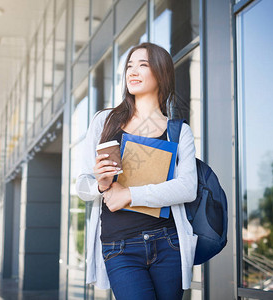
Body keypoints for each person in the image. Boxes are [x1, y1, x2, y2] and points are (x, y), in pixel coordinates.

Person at [76, 42, 198, 300]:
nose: (132, 71)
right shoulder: (105, 121)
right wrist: (100, 184)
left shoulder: (178, 131)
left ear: (161, 73)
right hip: (119, 246)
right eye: (129, 65)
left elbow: (187, 188)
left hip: (168, 243)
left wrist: (129, 194)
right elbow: (83, 185)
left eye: (143, 65)